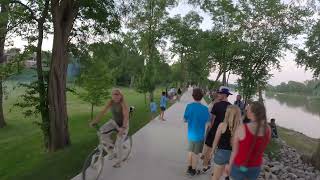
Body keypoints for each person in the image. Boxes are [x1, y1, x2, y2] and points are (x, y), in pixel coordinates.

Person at [226, 101, 271, 180]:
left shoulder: (242, 128)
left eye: (248, 109)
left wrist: (229, 165)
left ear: (253, 113)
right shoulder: (268, 129)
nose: (246, 110)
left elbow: (234, 151)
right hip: (255, 167)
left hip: (239, 165)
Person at [89, 89, 129, 168]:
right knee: (101, 132)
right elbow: (103, 111)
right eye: (113, 94)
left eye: (117, 94)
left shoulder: (123, 104)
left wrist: (123, 128)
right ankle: (110, 150)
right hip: (114, 122)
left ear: (121, 96)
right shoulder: (111, 102)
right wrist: (95, 121)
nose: (115, 96)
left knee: (119, 143)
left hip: (123, 124)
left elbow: (126, 116)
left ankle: (119, 162)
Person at [202, 87, 233, 172]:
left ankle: (205, 166)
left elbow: (212, 119)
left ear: (224, 95)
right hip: (225, 132)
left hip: (214, 130)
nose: (218, 95)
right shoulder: (231, 107)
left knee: (209, 149)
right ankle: (216, 171)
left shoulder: (216, 105)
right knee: (220, 151)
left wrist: (210, 129)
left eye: (219, 93)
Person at [184, 88, 210, 176]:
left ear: (193, 96)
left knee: (190, 151)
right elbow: (208, 122)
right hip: (199, 135)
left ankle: (189, 167)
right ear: (202, 97)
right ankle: (193, 170)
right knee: (196, 153)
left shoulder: (189, 106)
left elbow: (185, 119)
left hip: (191, 134)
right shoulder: (205, 109)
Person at [211, 105, 241, 180]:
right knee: (228, 175)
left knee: (215, 176)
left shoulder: (222, 125)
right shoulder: (241, 128)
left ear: (227, 114)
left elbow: (216, 140)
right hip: (234, 155)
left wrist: (212, 150)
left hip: (221, 153)